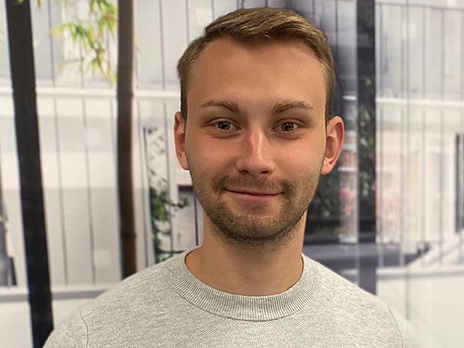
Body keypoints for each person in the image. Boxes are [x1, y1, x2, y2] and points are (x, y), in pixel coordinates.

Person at [45, 7, 416, 347]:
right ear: (181, 140)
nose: (255, 159)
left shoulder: (387, 337)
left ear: (331, 147)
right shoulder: (90, 339)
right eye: (224, 124)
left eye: (287, 125)